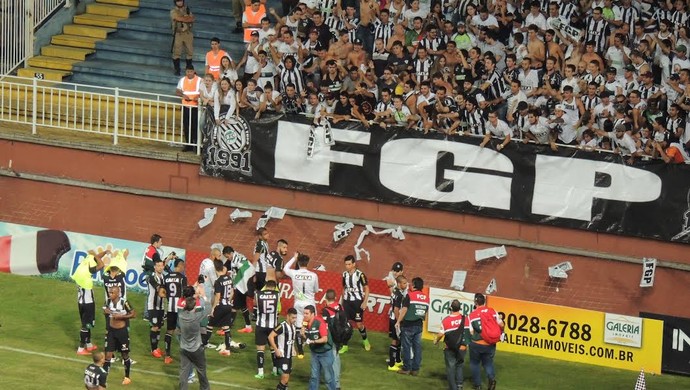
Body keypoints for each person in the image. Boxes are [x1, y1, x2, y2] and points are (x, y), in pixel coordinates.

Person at [283, 252, 318, 358]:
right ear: (308, 263)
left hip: (298, 303)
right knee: (310, 325)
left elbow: (285, 268)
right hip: (310, 304)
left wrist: (293, 258)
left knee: (297, 327)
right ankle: (310, 344)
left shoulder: (294, 273)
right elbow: (316, 290)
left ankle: (295, 349)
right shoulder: (313, 275)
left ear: (298, 262)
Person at [468, 293, 504, 390]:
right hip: (490, 344)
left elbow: (471, 332)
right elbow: (501, 324)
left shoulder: (472, 315)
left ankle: (477, 385)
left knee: (475, 364)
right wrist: (501, 333)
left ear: (475, 302)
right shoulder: (492, 311)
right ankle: (492, 380)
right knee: (488, 363)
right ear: (484, 301)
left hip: (476, 344)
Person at [396, 277, 429, 376]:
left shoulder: (409, 295)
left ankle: (406, 368)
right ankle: (415, 369)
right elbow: (425, 312)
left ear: (414, 285)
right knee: (417, 347)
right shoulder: (427, 298)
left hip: (408, 325)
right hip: (419, 325)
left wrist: (398, 321)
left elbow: (404, 309)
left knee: (406, 347)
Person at [76, 249, 107, 355]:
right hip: (87, 302)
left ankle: (88, 344)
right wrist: (95, 255)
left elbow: (96, 258)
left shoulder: (83, 265)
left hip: (81, 301)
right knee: (85, 325)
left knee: (87, 324)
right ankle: (80, 348)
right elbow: (101, 264)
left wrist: (104, 252)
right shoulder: (90, 270)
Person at [103, 286, 136, 385]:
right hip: (111, 332)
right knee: (108, 355)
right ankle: (104, 378)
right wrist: (107, 311)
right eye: (109, 292)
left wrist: (121, 317)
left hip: (122, 332)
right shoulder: (108, 301)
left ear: (118, 293)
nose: (110, 294)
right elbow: (104, 309)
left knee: (125, 354)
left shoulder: (124, 303)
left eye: (112, 293)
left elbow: (133, 314)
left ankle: (127, 377)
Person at [434, 299, 469, 390]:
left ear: (450, 308)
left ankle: (453, 388)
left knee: (450, 368)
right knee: (460, 365)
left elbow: (441, 334)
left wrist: (436, 341)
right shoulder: (466, 319)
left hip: (449, 348)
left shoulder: (446, 320)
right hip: (462, 347)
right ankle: (459, 386)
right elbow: (471, 332)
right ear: (460, 307)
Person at [178, 294, 210, 390]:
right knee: (201, 371)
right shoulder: (196, 316)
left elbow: (185, 309)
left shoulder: (181, 315)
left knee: (184, 372)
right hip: (196, 349)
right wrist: (203, 297)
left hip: (184, 348)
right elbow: (208, 308)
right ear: (195, 306)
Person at [340, 255, 370, 353]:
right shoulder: (344, 274)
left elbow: (366, 288)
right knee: (345, 324)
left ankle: (365, 340)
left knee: (359, 324)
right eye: (346, 264)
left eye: (349, 264)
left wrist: (365, 302)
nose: (347, 266)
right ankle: (345, 345)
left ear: (354, 264)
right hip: (347, 302)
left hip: (357, 302)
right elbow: (344, 287)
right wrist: (342, 300)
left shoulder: (360, 275)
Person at [303, 305, 336, 390]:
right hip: (315, 352)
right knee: (314, 376)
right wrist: (303, 332)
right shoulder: (305, 322)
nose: (304, 315)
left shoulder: (319, 322)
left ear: (312, 314)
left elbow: (324, 339)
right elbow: (306, 334)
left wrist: (312, 341)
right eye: (304, 313)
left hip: (325, 353)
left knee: (328, 377)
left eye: (307, 313)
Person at [207, 259, 235, 356]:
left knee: (210, 324)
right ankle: (227, 349)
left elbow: (217, 297)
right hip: (228, 305)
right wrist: (228, 301)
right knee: (226, 327)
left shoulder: (218, 281)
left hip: (221, 306)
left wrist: (213, 308)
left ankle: (204, 343)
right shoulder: (229, 278)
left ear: (215, 269)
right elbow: (232, 292)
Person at [254, 279, 280, 379]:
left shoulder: (258, 293)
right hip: (273, 326)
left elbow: (255, 304)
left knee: (260, 350)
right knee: (273, 348)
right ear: (274, 287)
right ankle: (275, 370)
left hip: (261, 325)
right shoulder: (277, 294)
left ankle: (261, 372)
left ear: (266, 286)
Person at [164, 258, 188, 364]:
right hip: (180, 308)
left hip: (170, 307)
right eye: (183, 266)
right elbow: (185, 293)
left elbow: (163, 291)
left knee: (169, 331)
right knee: (183, 331)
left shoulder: (167, 277)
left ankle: (167, 356)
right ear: (180, 265)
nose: (184, 268)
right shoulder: (182, 278)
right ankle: (185, 355)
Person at [321, 289, 346, 389]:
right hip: (340, 337)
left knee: (331, 360)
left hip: (330, 338)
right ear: (335, 298)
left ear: (326, 298)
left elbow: (324, 327)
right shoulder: (340, 307)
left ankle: (334, 384)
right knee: (336, 358)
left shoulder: (325, 311)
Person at [268, 307, 298, 390]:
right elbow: (270, 336)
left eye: (295, 317)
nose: (294, 320)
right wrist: (276, 350)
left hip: (289, 356)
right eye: (293, 317)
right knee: (285, 376)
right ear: (287, 316)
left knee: (287, 376)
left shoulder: (293, 327)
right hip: (282, 355)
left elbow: (291, 340)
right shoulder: (282, 326)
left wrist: (293, 349)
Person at [175, 64, 202, 152]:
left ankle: (196, 145)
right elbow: (177, 91)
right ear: (185, 71)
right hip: (185, 106)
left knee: (195, 126)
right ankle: (188, 144)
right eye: (187, 71)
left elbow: (202, 92)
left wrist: (198, 97)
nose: (189, 73)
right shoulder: (182, 80)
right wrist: (183, 95)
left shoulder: (199, 80)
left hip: (195, 107)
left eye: (191, 71)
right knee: (186, 126)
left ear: (194, 71)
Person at [386, 275, 407, 371]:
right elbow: (396, 309)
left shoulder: (395, 291)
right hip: (395, 319)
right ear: (399, 283)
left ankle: (398, 360)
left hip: (392, 318)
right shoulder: (399, 295)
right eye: (404, 283)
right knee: (395, 340)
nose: (406, 285)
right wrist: (398, 322)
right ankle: (391, 364)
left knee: (398, 340)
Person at [147, 258, 167, 359]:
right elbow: (159, 289)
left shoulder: (164, 277)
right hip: (153, 306)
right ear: (155, 267)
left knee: (159, 327)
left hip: (161, 306)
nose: (160, 267)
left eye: (161, 266)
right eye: (158, 266)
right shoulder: (152, 277)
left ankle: (156, 347)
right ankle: (153, 349)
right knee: (154, 327)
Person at [170, 0, 195, 76]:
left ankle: (189, 69)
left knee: (190, 52)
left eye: (181, 1)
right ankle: (177, 69)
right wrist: (186, 18)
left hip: (187, 33)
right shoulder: (173, 11)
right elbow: (178, 18)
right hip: (178, 33)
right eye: (178, 1)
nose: (180, 3)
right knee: (176, 52)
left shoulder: (187, 9)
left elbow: (193, 19)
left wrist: (186, 18)